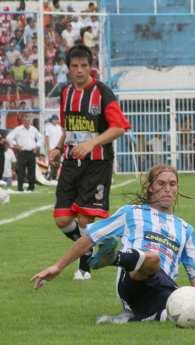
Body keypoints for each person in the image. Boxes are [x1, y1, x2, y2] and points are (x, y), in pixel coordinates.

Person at [32, 165, 195, 323]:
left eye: (172, 184)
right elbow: (90, 237)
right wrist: (58, 266)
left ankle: (128, 318)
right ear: (151, 187)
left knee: (180, 314)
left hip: (163, 290)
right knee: (153, 258)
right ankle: (114, 258)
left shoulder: (185, 229)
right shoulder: (131, 213)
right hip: (133, 280)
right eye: (161, 183)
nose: (167, 189)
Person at [48, 44, 131, 281]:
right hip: (71, 162)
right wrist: (57, 147)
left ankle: (84, 267)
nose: (80, 70)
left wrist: (92, 144)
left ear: (90, 67)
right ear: (68, 69)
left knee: (85, 218)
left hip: (97, 163)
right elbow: (69, 129)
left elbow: (119, 127)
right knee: (62, 218)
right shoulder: (66, 93)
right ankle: (94, 247)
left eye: (84, 65)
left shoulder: (103, 93)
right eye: (75, 66)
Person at [7, 113, 42, 192]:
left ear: (30, 121)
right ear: (23, 121)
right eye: (25, 121)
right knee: (21, 171)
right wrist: (15, 145)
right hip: (22, 152)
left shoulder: (34, 129)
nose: (27, 122)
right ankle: (20, 188)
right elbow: (9, 137)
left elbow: (40, 138)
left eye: (28, 121)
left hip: (31, 152)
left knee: (32, 171)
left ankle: (31, 187)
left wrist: (37, 146)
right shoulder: (18, 129)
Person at [44, 114, 62, 180]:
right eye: (54, 119)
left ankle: (54, 177)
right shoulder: (48, 127)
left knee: (58, 163)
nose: (56, 121)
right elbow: (47, 138)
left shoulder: (59, 127)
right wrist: (48, 147)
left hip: (58, 148)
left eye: (57, 119)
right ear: (52, 120)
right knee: (51, 164)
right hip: (51, 148)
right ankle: (49, 177)